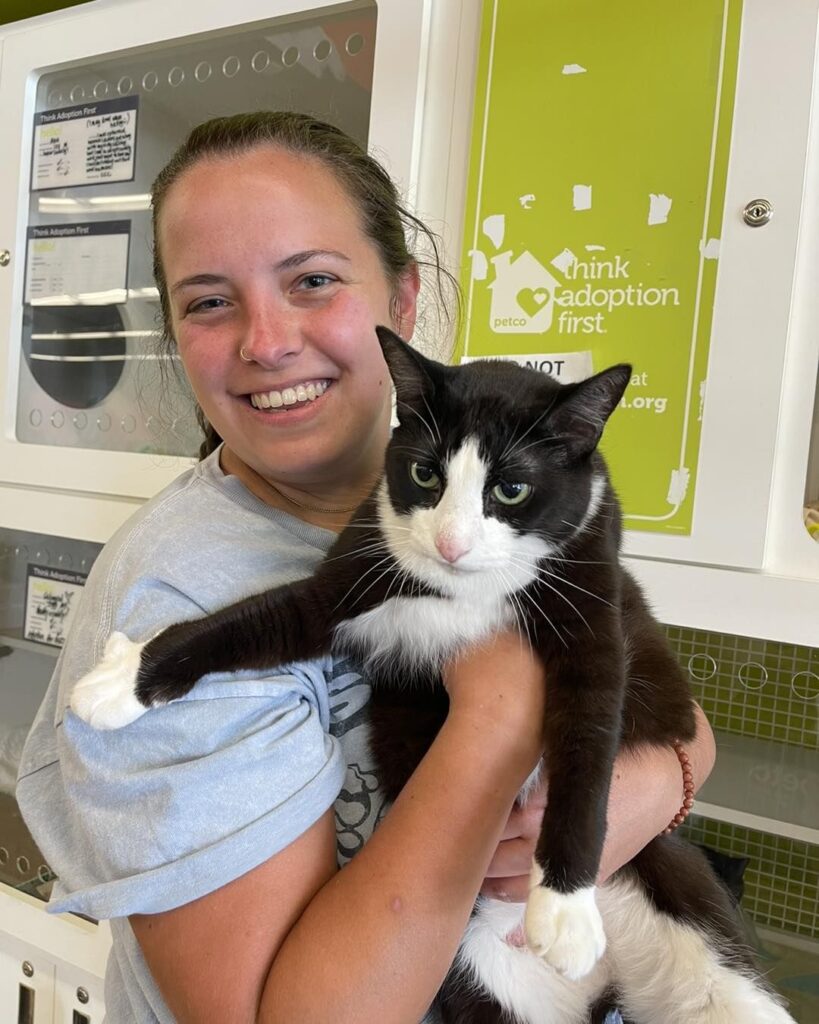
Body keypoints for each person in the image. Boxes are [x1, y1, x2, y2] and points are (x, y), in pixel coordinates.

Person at [17, 111, 716, 1024]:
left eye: (311, 280)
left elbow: (668, 705)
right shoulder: (180, 593)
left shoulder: (492, 487)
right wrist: (501, 710)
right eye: (209, 300)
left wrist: (660, 784)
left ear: (402, 305)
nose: (266, 342)